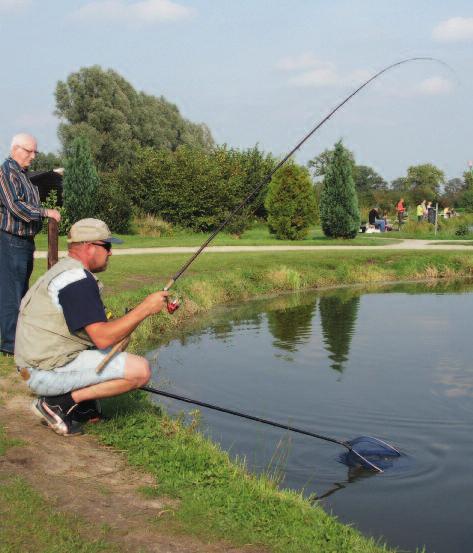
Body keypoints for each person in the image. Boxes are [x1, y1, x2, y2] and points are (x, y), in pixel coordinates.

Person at [14, 218, 169, 436]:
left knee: (119, 344)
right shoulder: (76, 280)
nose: (111, 253)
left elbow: (106, 333)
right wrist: (144, 309)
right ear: (89, 246)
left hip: (34, 366)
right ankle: (60, 403)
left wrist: (140, 315)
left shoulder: (67, 271)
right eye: (107, 246)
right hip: (41, 373)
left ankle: (84, 407)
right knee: (140, 371)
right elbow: (103, 338)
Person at [0, 133, 61, 355]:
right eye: (29, 151)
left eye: (35, 151)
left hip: (25, 241)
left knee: (22, 293)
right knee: (11, 294)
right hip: (11, 241)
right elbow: (16, 207)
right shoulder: (6, 173)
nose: (33, 156)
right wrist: (46, 212)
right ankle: (9, 345)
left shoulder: (23, 174)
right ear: (16, 149)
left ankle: (20, 339)